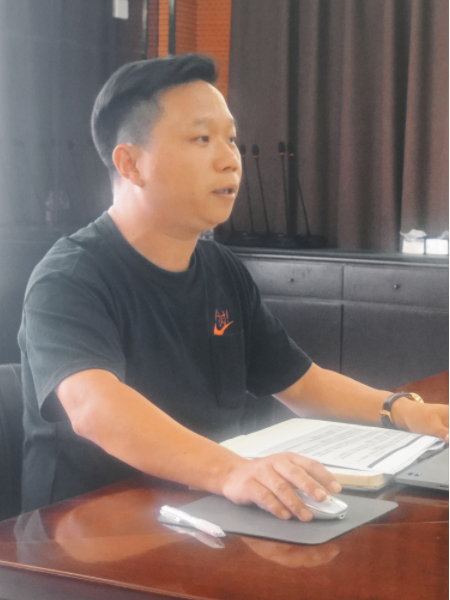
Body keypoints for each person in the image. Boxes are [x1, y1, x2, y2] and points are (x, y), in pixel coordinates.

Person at [19, 53, 449, 519]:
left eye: (231, 139)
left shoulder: (221, 269)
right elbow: (94, 408)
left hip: (205, 508)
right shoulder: (70, 277)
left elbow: (304, 383)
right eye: (202, 139)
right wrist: (231, 471)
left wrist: (405, 411)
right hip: (92, 528)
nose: (230, 160)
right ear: (131, 164)